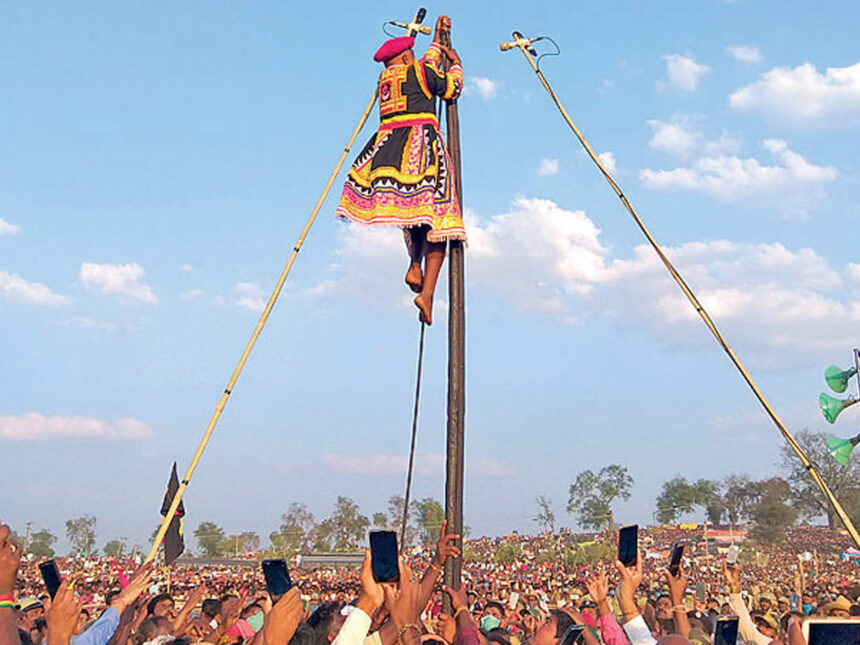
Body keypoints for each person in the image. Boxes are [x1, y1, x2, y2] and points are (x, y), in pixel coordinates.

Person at [336, 14, 466, 326]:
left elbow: (425, 66)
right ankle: (428, 293)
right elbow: (450, 88)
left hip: (385, 156)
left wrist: (437, 39)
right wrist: (457, 63)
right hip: (419, 151)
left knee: (413, 216)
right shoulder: (420, 70)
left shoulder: (385, 82)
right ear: (408, 56)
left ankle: (414, 264)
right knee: (440, 222)